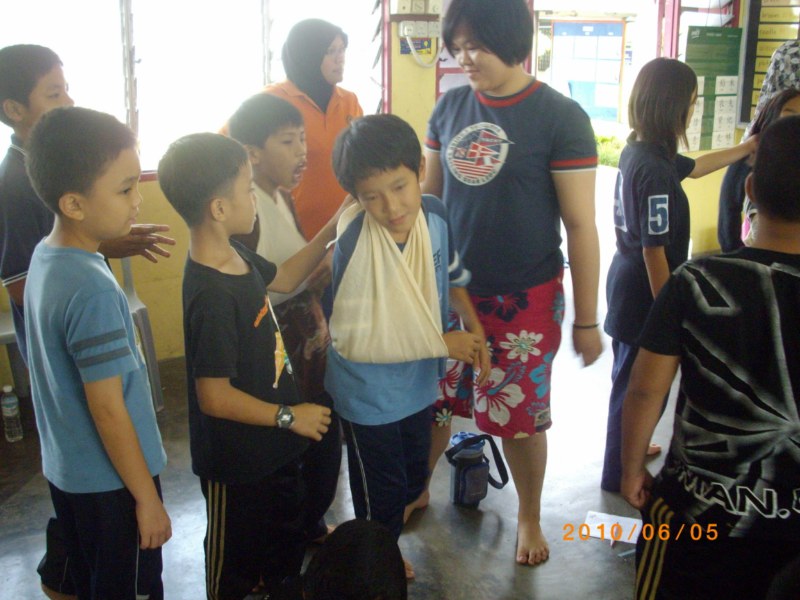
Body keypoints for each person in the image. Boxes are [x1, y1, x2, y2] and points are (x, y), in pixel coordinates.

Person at [423, 0, 603, 566]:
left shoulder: (559, 116)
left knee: (519, 421)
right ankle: (416, 490)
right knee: (435, 404)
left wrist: (588, 320)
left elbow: (580, 225)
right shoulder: (448, 107)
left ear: (513, 41)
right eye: (457, 46)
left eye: (476, 45)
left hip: (523, 298)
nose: (465, 58)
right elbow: (428, 205)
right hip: (450, 293)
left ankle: (528, 515)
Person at [0, 44, 174, 600]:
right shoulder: (92, 288)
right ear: (74, 203)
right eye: (125, 189)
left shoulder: (48, 256)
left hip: (69, 472)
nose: (137, 201)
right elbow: (107, 407)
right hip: (114, 484)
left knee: (94, 578)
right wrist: (146, 498)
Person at [157, 132, 346, 599]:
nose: (254, 198)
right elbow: (214, 396)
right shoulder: (212, 293)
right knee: (234, 572)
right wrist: (290, 416)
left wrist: (335, 224)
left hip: (275, 448)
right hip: (237, 464)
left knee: (283, 552)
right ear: (219, 208)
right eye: (247, 189)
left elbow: (286, 276)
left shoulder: (235, 255)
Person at [621, 115, 800, 600]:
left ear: (750, 189)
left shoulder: (696, 281)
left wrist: (631, 468)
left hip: (696, 516)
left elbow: (645, 389)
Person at [327, 114, 490, 578]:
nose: (391, 206)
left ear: (420, 169)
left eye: (399, 187)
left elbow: (452, 277)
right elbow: (355, 335)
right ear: (355, 198)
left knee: (414, 475)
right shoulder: (355, 239)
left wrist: (474, 328)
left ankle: (383, 539)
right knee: (379, 490)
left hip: (418, 383)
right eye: (371, 196)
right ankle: (376, 562)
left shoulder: (434, 214)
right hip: (368, 393)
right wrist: (439, 341)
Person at [601, 57, 759, 494]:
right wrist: (668, 311)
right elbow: (654, 250)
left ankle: (628, 448)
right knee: (635, 384)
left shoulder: (643, 151)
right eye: (692, 102)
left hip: (628, 281)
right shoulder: (654, 169)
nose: (694, 110)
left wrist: (745, 148)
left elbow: (698, 166)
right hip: (644, 289)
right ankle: (618, 469)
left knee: (629, 376)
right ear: (673, 107)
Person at [227, 93, 341, 544]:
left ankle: (310, 527)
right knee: (289, 456)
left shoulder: (281, 197)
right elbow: (261, 287)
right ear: (252, 153)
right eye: (288, 142)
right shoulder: (246, 211)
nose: (302, 153)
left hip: (309, 350)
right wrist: (320, 259)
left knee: (321, 448)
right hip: (279, 358)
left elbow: (295, 268)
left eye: (303, 140)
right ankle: (280, 550)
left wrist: (319, 272)